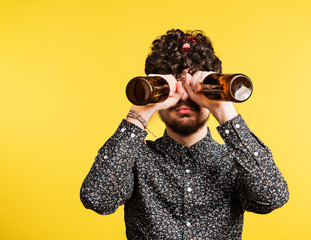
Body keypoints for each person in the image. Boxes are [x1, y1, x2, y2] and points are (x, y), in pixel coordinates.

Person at [80, 29, 289, 239]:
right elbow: (98, 199)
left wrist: (225, 110)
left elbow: (271, 197)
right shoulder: (135, 158)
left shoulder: (235, 161)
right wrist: (141, 110)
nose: (184, 97)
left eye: (193, 86)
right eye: (175, 85)